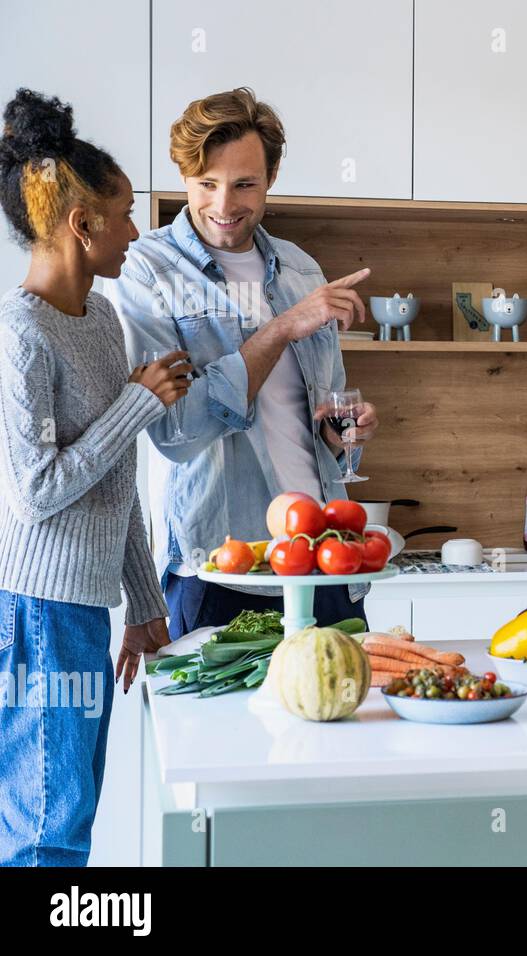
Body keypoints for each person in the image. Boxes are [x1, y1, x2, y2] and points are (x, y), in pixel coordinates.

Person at [105, 88, 379, 636]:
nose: (225, 206)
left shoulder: (301, 270)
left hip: (326, 562)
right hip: (222, 569)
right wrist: (282, 328)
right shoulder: (147, 271)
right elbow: (175, 432)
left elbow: (318, 424)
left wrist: (342, 433)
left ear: (271, 177)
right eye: (207, 184)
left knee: (345, 716)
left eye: (244, 185)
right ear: (183, 175)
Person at [0, 90, 190, 865]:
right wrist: (137, 404)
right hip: (41, 611)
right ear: (83, 225)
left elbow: (115, 478)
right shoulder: (22, 335)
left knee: (71, 811)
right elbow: (37, 491)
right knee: (48, 825)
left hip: (87, 608)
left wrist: (144, 607)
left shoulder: (103, 319)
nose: (136, 232)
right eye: (125, 213)